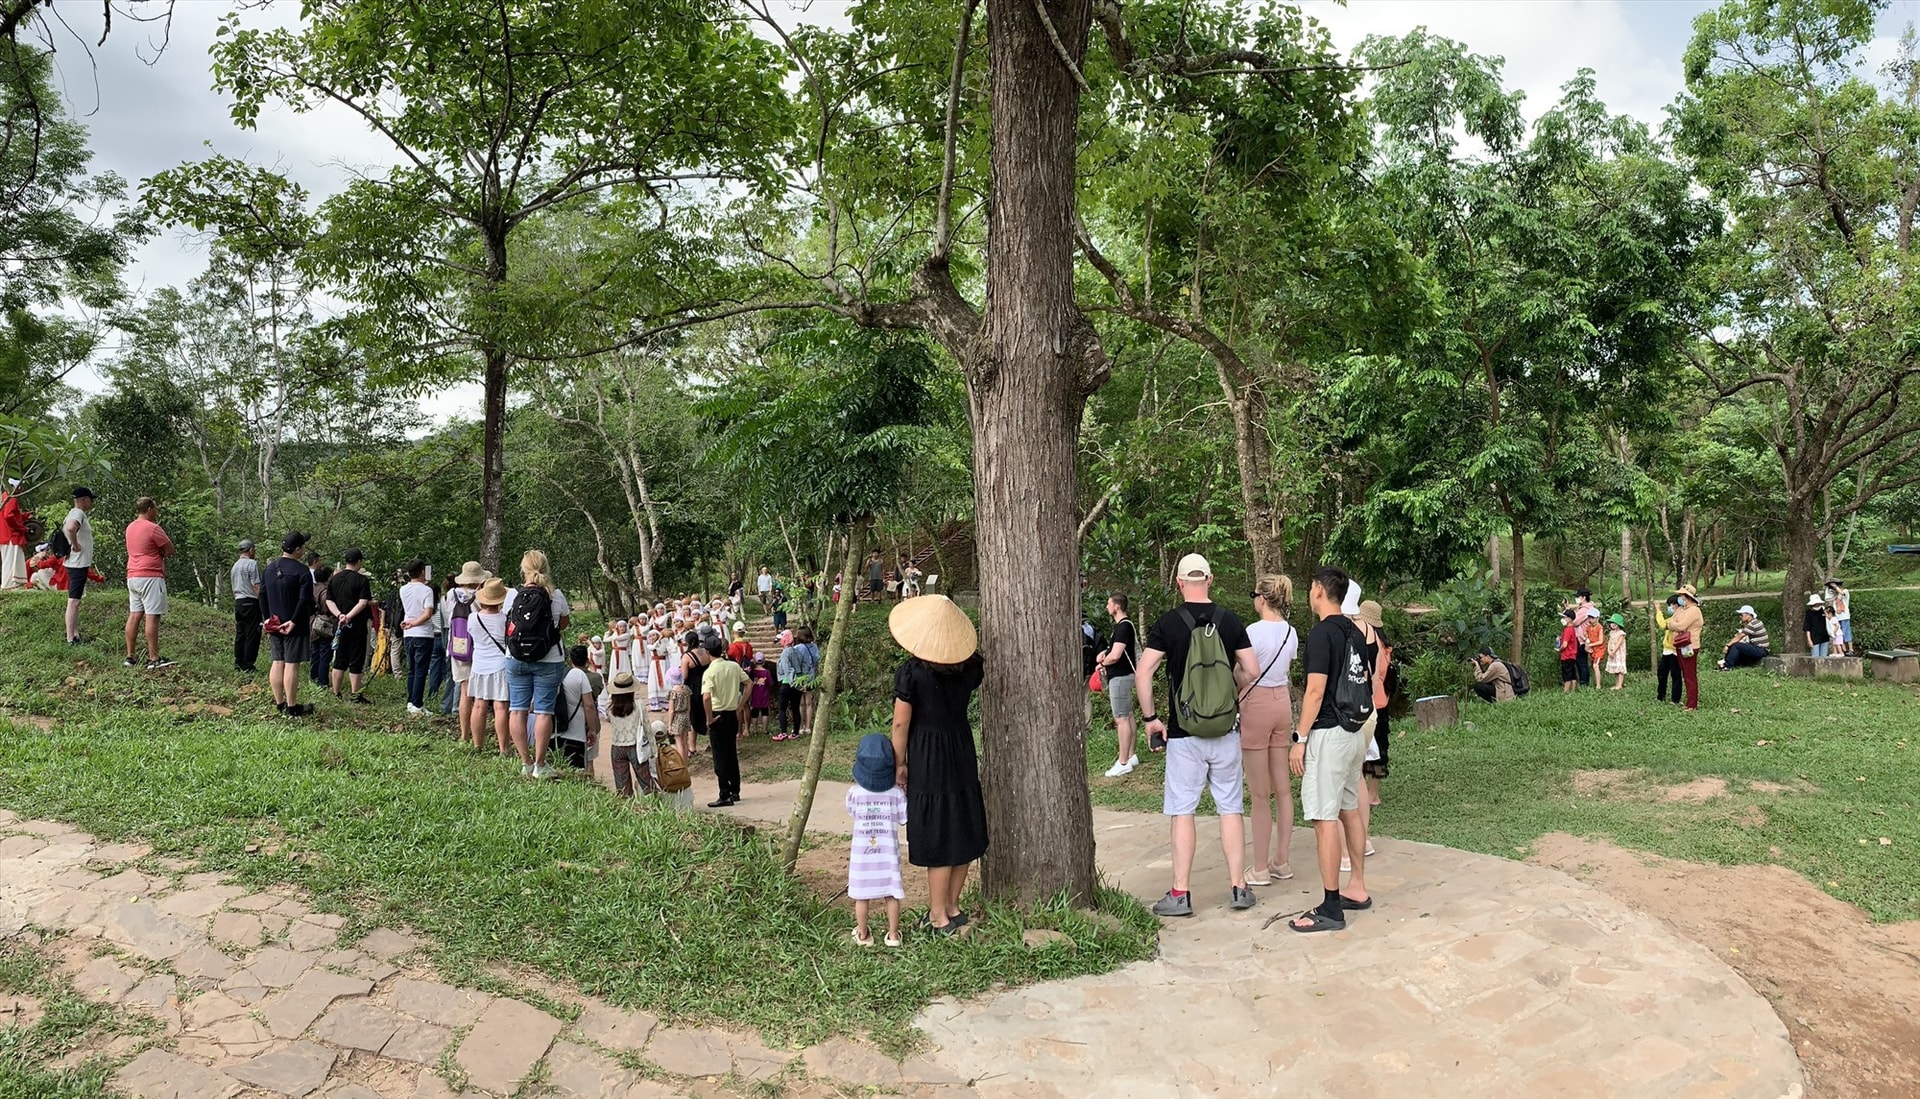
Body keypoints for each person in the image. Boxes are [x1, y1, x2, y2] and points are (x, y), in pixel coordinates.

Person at [1134, 554, 1260, 918]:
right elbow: (1250, 669)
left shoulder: (1168, 624)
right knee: (1230, 807)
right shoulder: (1230, 621)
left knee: (1183, 810)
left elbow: (1144, 674)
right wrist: (1230, 687)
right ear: (1210, 579)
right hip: (1225, 730)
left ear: (1179, 582)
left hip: (1183, 731)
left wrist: (1151, 719)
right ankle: (1239, 886)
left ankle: (1180, 893)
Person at [889, 595, 988, 934]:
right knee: (961, 822)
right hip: (960, 745)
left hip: (928, 754)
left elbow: (901, 725)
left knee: (938, 830)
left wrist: (899, 764)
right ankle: (952, 905)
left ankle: (936, 916)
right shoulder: (971, 667)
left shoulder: (912, 673)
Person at [1285, 566, 1376, 934]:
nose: (1309, 593)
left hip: (1328, 732)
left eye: (1311, 587)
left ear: (1320, 591)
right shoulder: (1355, 631)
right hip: (1355, 731)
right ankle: (1357, 886)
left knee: (1324, 818)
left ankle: (1330, 907)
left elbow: (1314, 691)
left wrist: (1300, 738)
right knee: (1348, 808)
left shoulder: (1322, 634)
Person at [1240, 575, 1300, 886]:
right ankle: (1282, 860)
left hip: (1257, 702)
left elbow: (1244, 671)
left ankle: (1260, 867)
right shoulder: (1292, 633)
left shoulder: (1252, 632)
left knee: (1260, 793)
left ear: (1262, 598)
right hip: (1281, 703)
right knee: (1283, 789)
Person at [502, 549, 572, 779]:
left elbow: (508, 623)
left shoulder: (513, 595)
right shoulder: (556, 595)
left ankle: (525, 761)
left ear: (523, 569)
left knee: (517, 710)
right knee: (543, 711)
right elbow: (563, 625)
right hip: (549, 658)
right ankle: (540, 765)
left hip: (516, 659)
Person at [848, 733, 908, 948]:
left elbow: (852, 813)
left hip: (861, 858)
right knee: (891, 895)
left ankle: (863, 934)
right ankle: (893, 935)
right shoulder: (896, 795)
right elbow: (903, 819)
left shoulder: (854, 794)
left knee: (861, 897)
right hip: (888, 857)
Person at [261, 531, 317, 717]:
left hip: (274, 623)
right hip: (295, 625)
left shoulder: (270, 568)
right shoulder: (302, 572)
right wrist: (293, 621)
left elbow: (262, 594)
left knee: (278, 661)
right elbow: (304, 600)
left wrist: (267, 618)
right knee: (292, 664)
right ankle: (292, 707)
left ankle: (280, 703)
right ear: (298, 549)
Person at [123, 497, 177, 670]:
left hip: (133, 575)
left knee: (134, 614)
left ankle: (130, 656)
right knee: (152, 616)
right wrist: (159, 554)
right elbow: (170, 549)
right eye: (156, 508)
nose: (157, 512)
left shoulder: (130, 527)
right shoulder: (153, 528)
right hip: (150, 575)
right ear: (149, 509)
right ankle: (154, 657)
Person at [701, 635, 749, 807]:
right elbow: (749, 684)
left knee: (719, 756)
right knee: (731, 753)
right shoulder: (733, 666)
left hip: (718, 714)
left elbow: (706, 697)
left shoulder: (710, 672)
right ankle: (735, 790)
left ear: (707, 652)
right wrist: (740, 705)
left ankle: (724, 793)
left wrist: (709, 718)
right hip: (731, 713)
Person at [1097, 593, 1141, 778]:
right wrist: (1103, 654)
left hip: (1121, 677)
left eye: (1109, 603)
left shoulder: (1123, 627)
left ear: (1116, 606)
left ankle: (1122, 761)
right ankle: (1131, 756)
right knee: (1128, 715)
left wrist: (1102, 663)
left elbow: (1116, 655)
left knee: (1121, 718)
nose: (1107, 606)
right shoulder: (1121, 627)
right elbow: (1113, 651)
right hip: (1124, 676)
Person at [467, 578, 513, 754]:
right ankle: (504, 749)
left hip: (479, 664)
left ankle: (477, 745)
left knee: (479, 705)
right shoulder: (505, 620)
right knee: (500, 707)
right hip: (500, 665)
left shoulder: (473, 618)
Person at [327, 549, 376, 703]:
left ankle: (336, 692)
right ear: (359, 562)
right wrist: (349, 616)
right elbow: (363, 602)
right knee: (356, 659)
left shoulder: (334, 579)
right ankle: (355, 695)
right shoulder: (361, 580)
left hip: (339, 625)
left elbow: (329, 600)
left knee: (339, 658)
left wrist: (339, 615)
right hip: (357, 625)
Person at [444, 562, 486, 730]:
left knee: (464, 690)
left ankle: (464, 733)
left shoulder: (451, 593)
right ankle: (477, 730)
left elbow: (449, 616)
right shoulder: (482, 595)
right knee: (478, 695)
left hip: (457, 644)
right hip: (478, 645)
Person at [603, 671, 654, 799]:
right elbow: (647, 727)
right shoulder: (639, 705)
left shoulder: (609, 707)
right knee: (647, 783)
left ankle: (627, 810)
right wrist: (653, 749)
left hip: (617, 747)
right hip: (636, 747)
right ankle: (653, 808)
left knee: (623, 788)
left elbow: (609, 717)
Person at [399, 560, 438, 715]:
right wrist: (414, 623)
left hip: (408, 634)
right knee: (421, 669)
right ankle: (417, 703)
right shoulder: (427, 590)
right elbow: (427, 613)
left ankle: (411, 700)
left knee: (412, 669)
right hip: (422, 633)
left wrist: (409, 624)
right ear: (422, 571)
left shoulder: (403, 589)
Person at [554, 644, 600, 773]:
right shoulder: (579, 675)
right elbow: (589, 705)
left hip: (552, 733)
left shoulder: (549, 674)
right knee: (576, 773)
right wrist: (592, 729)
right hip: (576, 735)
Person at [60, 488, 96, 645]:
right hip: (77, 563)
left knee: (76, 600)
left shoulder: (73, 513)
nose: (91, 502)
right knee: (73, 601)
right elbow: (70, 528)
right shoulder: (78, 513)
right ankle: (70, 638)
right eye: (90, 499)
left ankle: (75, 633)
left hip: (76, 563)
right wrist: (75, 545)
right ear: (83, 500)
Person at [1665, 585, 1704, 711]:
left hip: (1690, 646)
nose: (1680, 598)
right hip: (1679, 644)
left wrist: (1674, 624)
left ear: (1687, 597)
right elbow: (1670, 622)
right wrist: (1674, 624)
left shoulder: (1694, 611)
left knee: (1689, 675)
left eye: (1682, 595)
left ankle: (1692, 704)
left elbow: (1680, 626)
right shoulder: (1681, 609)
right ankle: (1689, 701)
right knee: (1684, 674)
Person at [776, 626, 817, 741]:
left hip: (787, 683)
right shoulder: (797, 651)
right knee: (795, 708)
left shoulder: (785, 653)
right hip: (798, 683)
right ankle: (795, 732)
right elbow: (804, 666)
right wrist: (802, 682)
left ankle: (783, 732)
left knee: (782, 708)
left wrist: (795, 682)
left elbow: (788, 670)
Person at [1719, 605, 1771, 670]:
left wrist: (1728, 645)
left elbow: (1740, 636)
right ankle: (1725, 664)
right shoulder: (1755, 622)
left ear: (1748, 615)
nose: (1740, 617)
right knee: (1736, 651)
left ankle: (1727, 667)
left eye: (1741, 615)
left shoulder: (1753, 624)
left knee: (1736, 646)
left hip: (1761, 649)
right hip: (1758, 648)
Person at [309, 564, 335, 688]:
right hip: (324, 622)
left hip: (311, 621)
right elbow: (326, 607)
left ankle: (313, 677)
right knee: (325, 652)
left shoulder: (311, 588)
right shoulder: (325, 591)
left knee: (315, 651)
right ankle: (323, 680)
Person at [1653, 596, 1682, 705]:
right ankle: (1661, 696)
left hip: (1675, 651)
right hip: (1667, 650)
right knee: (1662, 674)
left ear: (1675, 605)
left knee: (1676, 675)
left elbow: (1662, 624)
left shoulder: (1679, 618)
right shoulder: (1673, 618)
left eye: (1670, 605)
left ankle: (1675, 699)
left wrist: (1658, 610)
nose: (1670, 607)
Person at [665, 659, 695, 763]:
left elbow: (671, 710)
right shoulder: (686, 689)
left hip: (677, 717)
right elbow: (689, 706)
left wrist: (669, 724)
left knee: (679, 742)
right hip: (685, 716)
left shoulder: (673, 692)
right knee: (685, 741)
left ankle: (682, 763)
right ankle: (686, 760)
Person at [0, 478, 27, 589]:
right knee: (10, 560)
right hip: (11, 535)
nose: (21, 491)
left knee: (8, 559)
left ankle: (11, 584)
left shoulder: (4, 497)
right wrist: (22, 528)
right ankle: (8, 585)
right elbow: (8, 516)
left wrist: (24, 516)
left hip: (4, 534)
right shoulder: (11, 498)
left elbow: (12, 515)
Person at [747, 653, 775, 738]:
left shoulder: (752, 672)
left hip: (755, 696)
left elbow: (749, 681)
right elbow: (771, 683)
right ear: (764, 662)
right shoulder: (767, 672)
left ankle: (755, 730)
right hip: (765, 696)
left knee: (754, 714)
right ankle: (765, 730)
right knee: (765, 713)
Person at [1825, 580, 1853, 655]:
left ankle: (1850, 649)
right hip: (1837, 617)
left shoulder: (1845, 591)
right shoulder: (1834, 597)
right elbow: (1827, 598)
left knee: (1846, 632)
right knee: (1839, 634)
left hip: (1844, 616)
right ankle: (1843, 650)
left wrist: (1835, 586)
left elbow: (1842, 593)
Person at [1557, 609, 1581, 694]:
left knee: (1566, 674)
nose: (1563, 619)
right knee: (1572, 673)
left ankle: (1566, 691)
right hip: (1573, 655)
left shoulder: (1568, 630)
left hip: (1567, 655)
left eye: (1564, 617)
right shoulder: (1572, 629)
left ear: (1570, 619)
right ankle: (1573, 690)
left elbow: (1564, 645)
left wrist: (1559, 650)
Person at [1605, 613, 1628, 688]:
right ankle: (1617, 684)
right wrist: (1609, 651)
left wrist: (1614, 651)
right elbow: (1609, 642)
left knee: (1620, 669)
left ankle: (1620, 685)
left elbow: (1618, 643)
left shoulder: (1621, 633)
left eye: (1615, 623)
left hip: (1619, 653)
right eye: (1612, 623)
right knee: (1615, 669)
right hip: (1612, 652)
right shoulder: (1611, 633)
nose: (1613, 624)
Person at [1805, 592, 1832, 657]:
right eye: (1815, 604)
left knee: (1824, 658)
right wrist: (1809, 640)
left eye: (1818, 603)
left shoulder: (1823, 610)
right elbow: (1807, 628)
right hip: (1814, 638)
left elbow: (1830, 619)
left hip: (1824, 637)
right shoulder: (1809, 613)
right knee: (1815, 657)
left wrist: (1826, 613)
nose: (1817, 605)